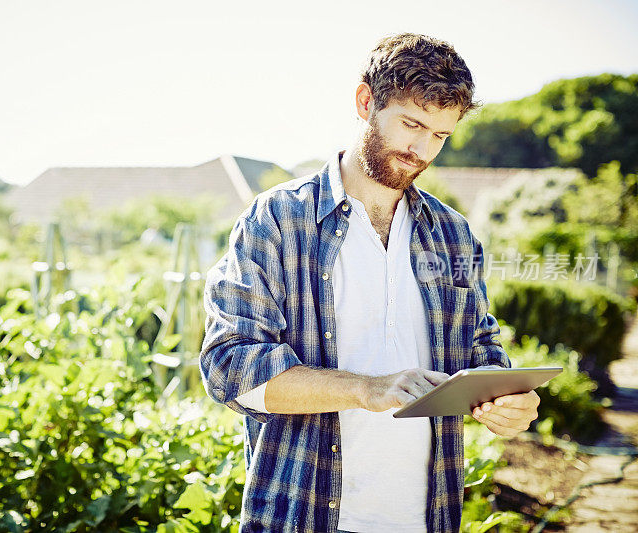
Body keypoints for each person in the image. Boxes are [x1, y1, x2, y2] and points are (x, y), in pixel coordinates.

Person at [199, 33, 539, 533]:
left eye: (440, 136)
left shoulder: (453, 235)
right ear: (365, 102)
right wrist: (366, 389)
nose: (422, 150)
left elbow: (479, 348)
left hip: (426, 518)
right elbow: (230, 367)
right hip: (305, 515)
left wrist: (505, 396)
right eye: (411, 124)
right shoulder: (278, 219)